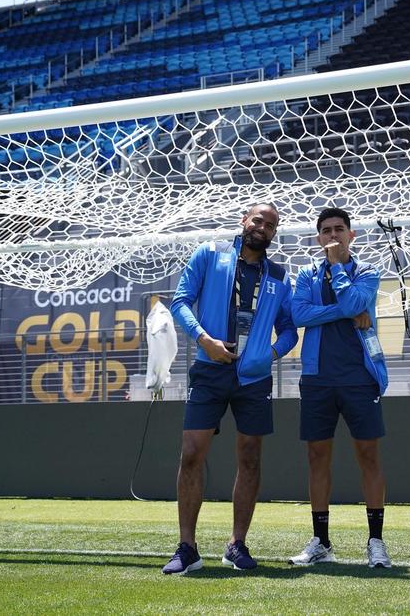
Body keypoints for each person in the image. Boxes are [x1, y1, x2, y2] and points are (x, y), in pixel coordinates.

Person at [163, 203, 298, 575]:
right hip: (209, 370)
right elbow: (180, 302)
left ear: (274, 233)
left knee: (250, 456)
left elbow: (289, 330)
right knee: (192, 453)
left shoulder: (279, 275)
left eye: (270, 225)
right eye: (258, 220)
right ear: (244, 221)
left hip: (253, 379)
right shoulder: (210, 253)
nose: (262, 227)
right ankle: (187, 548)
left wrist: (269, 354)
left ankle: (236, 544)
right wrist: (203, 340)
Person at [287, 207, 391, 569]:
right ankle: (321, 542)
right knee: (317, 457)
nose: (333, 235)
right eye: (327, 230)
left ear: (351, 235)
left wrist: (337, 271)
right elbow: (299, 315)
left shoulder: (368, 272)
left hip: (360, 378)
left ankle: (376, 541)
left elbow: (353, 301)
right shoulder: (306, 274)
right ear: (318, 238)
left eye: (339, 229)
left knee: (368, 456)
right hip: (317, 379)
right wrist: (344, 312)